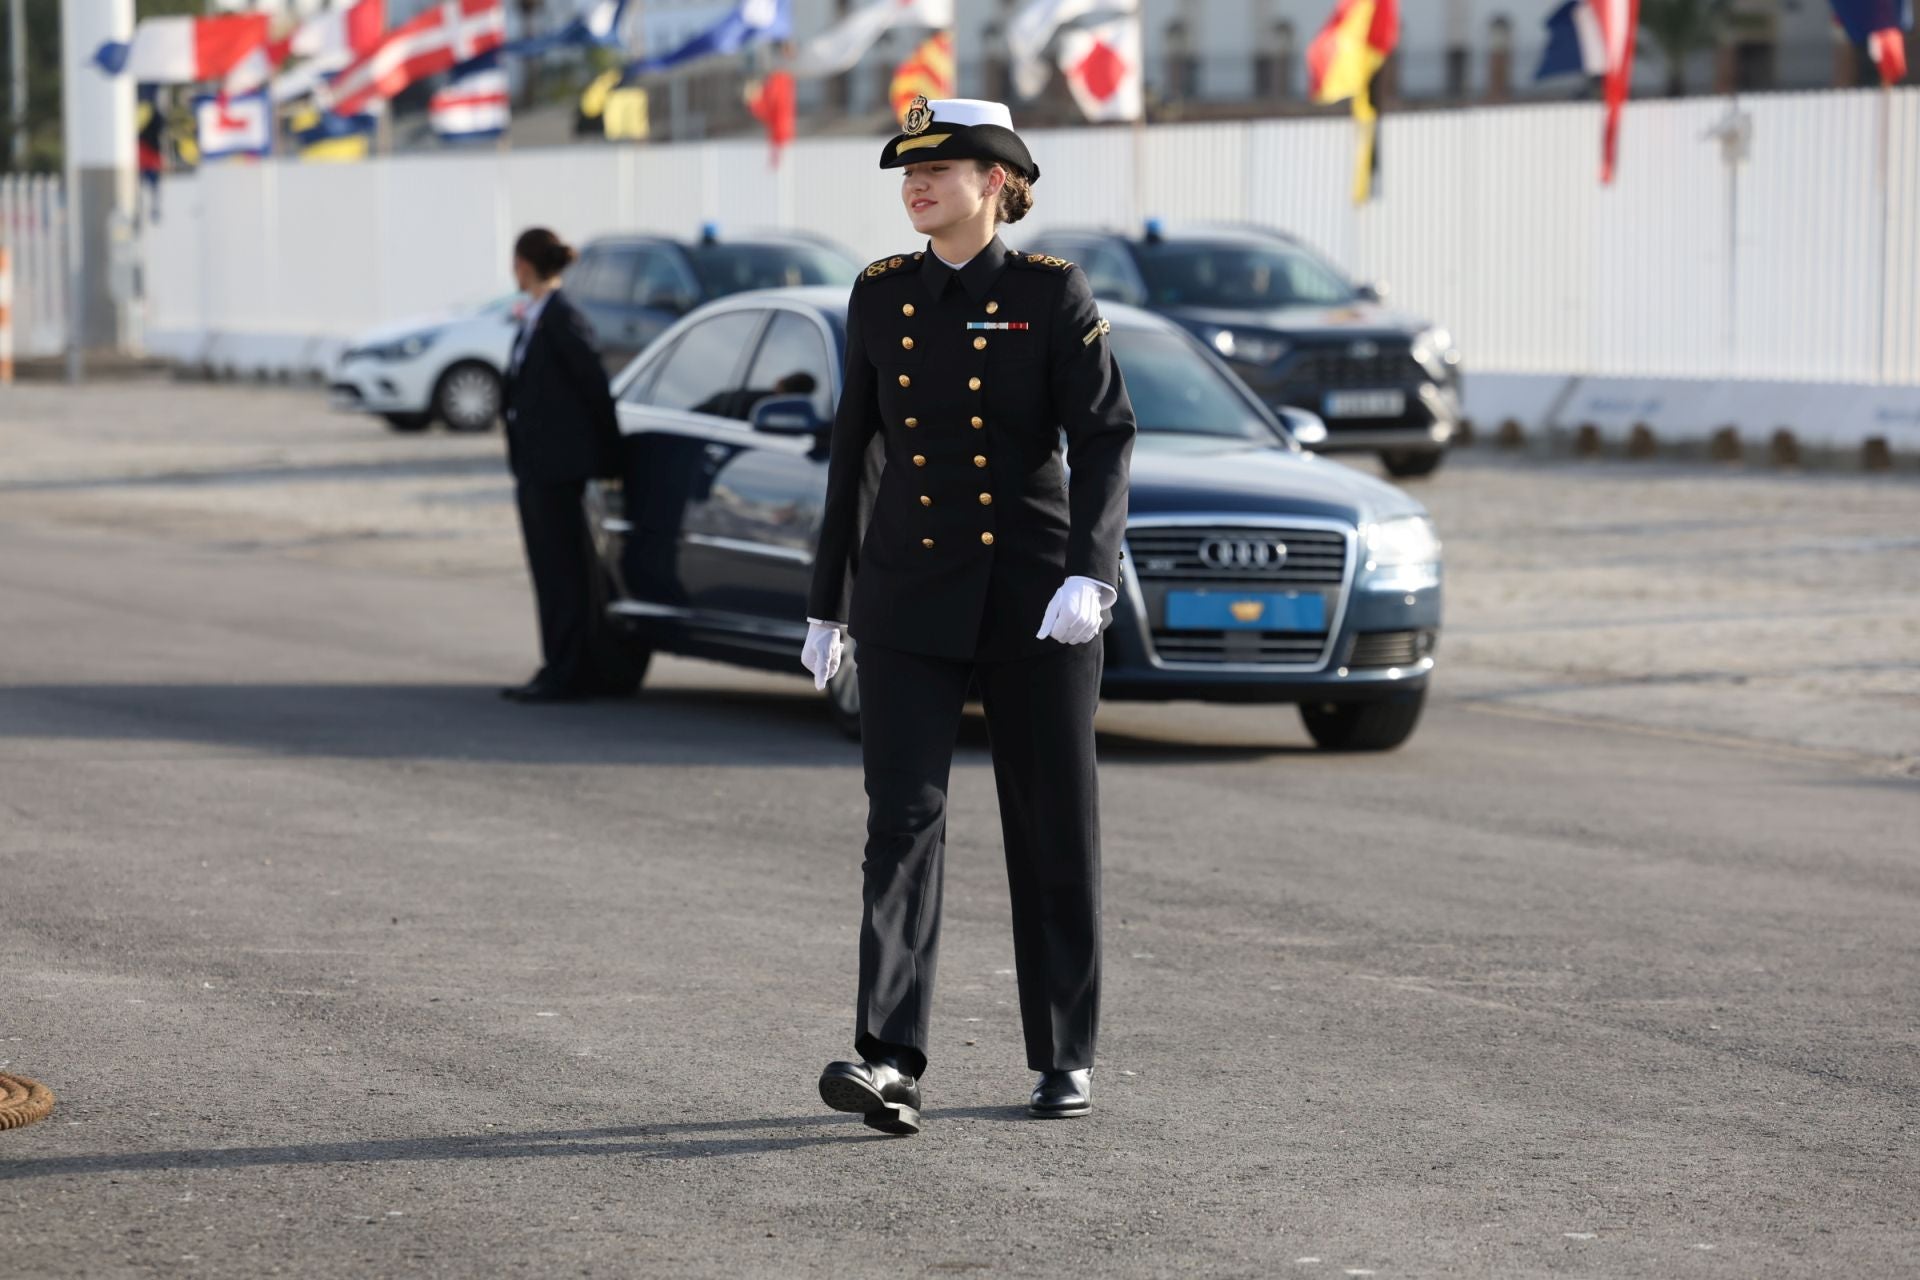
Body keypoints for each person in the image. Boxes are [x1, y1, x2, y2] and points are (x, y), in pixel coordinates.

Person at [801, 97, 1136, 1134]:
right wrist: (829, 602)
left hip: (1036, 599)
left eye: (941, 169)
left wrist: (1091, 571)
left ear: (997, 183)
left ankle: (1063, 1052)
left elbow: (1108, 435)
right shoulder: (878, 293)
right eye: (908, 170)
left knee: (1049, 823)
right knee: (901, 817)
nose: (917, 184)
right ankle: (889, 1058)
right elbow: (854, 448)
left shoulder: (1048, 293)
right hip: (908, 593)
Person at [499, 227, 626, 704]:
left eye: (514, 262)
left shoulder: (562, 317)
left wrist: (608, 456)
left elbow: (595, 387)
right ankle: (557, 663)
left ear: (526, 265)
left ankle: (567, 670)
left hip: (558, 470)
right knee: (548, 570)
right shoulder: (535, 317)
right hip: (535, 468)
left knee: (562, 572)